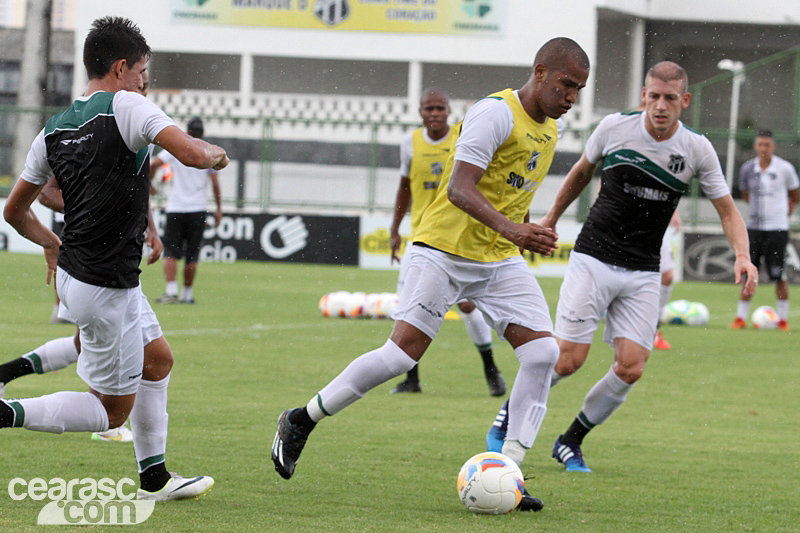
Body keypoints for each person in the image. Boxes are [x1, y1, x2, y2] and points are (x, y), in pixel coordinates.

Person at [271, 37, 590, 511]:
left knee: (543, 353)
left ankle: (508, 473)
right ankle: (301, 418)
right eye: (566, 85)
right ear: (540, 72)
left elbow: (508, 195)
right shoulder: (495, 114)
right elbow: (460, 189)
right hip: (441, 249)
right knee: (401, 357)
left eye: (579, 90)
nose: (571, 98)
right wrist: (514, 230)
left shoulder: (549, 132)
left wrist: (520, 233)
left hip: (497, 257)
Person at [486, 61, 757, 473]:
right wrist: (550, 220)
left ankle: (570, 440)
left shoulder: (697, 149)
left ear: (683, 101)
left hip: (643, 270)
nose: (660, 106)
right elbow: (580, 173)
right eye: (653, 96)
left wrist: (742, 255)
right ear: (643, 96)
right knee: (567, 360)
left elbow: (726, 210)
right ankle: (509, 414)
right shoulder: (615, 128)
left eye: (669, 98)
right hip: (593, 258)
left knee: (631, 368)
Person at [1, 16, 228, 499]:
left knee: (159, 361)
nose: (145, 81)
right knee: (110, 411)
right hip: (106, 287)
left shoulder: (55, 128)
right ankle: (6, 412)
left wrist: (49, 242)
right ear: (121, 67)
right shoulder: (128, 106)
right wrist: (216, 155)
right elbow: (190, 154)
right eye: (142, 70)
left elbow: (17, 208)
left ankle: (155, 478)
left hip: (82, 276)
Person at [388, 88, 506, 397]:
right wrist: (394, 229)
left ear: (448, 111)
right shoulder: (409, 144)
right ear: (420, 112)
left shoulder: (462, 136)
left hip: (457, 234)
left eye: (440, 108)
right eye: (430, 108)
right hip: (422, 238)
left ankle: (491, 370)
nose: (435, 113)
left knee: (468, 305)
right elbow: (405, 188)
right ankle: (411, 378)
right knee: (409, 308)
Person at [730, 130, 799, 330]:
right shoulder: (747, 169)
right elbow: (744, 192)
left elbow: (795, 193)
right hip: (754, 228)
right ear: (755, 146)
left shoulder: (785, 168)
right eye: (760, 145)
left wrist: (786, 209)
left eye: (767, 145)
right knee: (748, 273)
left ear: (773, 147)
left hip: (777, 228)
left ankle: (783, 320)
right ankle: (740, 318)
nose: (763, 149)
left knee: (778, 274)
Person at [152, 117, 222, 304]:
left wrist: (149, 184)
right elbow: (215, 183)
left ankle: (171, 291)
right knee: (192, 254)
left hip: (176, 207)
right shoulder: (207, 150)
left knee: (171, 251)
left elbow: (155, 164)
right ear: (203, 133)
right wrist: (219, 209)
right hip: (198, 209)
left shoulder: (178, 148)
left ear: (187, 132)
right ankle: (187, 294)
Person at [654, 210, 681, 350]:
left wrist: (673, 214)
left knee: (667, 276)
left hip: (656, 226)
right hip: (629, 225)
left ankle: (654, 329)